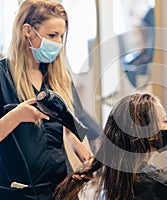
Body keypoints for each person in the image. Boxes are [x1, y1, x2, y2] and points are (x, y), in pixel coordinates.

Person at [0, 0, 96, 199]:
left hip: (59, 188)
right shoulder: (3, 77)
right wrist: (15, 117)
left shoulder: (60, 78)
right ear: (27, 30)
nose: (59, 43)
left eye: (62, 36)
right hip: (17, 191)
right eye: (52, 35)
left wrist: (86, 158)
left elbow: (71, 129)